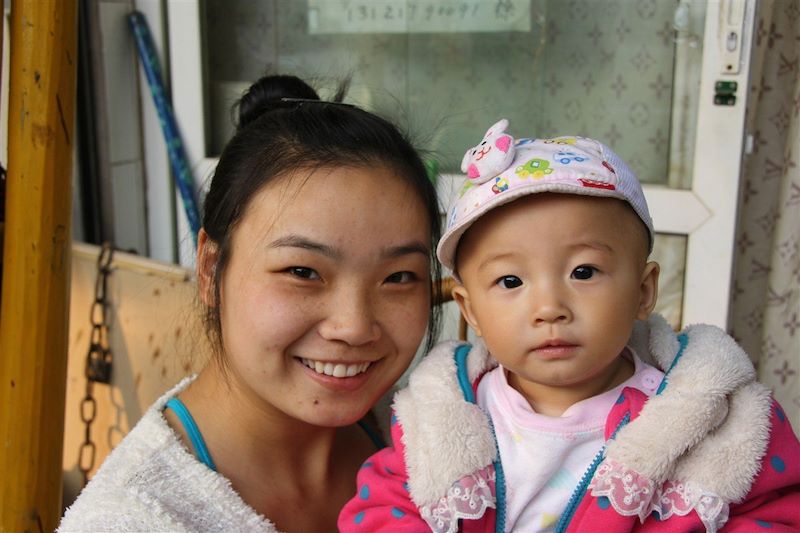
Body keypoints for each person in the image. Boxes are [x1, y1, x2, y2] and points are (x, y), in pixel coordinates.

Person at [339, 121, 800, 532]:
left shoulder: (700, 416)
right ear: (470, 310)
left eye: (583, 272)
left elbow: (774, 512)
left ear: (643, 292)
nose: (549, 308)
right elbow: (383, 508)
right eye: (511, 281)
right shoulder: (443, 414)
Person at [59, 74, 443, 532]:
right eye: (302, 272)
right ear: (209, 269)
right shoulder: (129, 519)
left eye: (399, 277)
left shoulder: (432, 437)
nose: (355, 326)